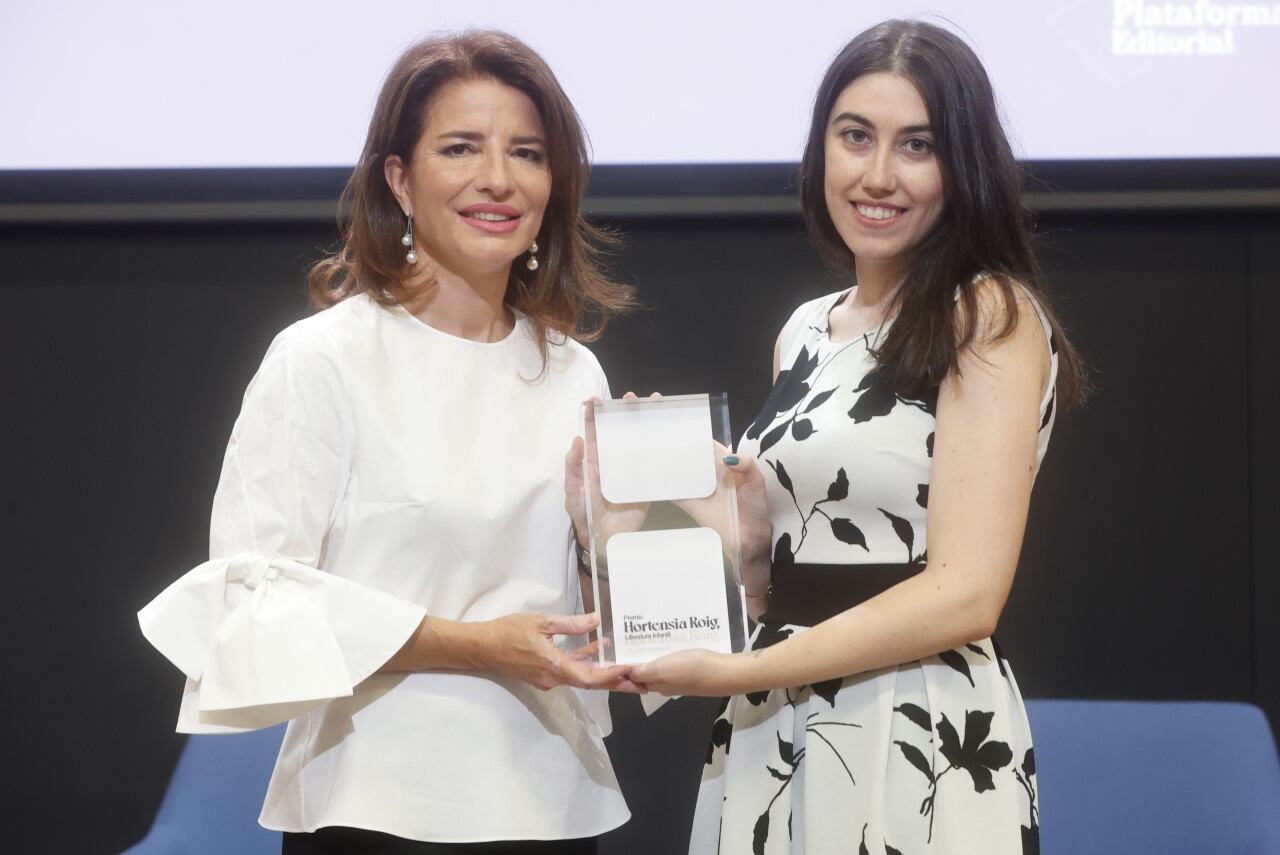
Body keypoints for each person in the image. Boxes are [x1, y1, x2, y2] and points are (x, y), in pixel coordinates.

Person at [137, 30, 640, 854]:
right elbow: (255, 599)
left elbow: (592, 612)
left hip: (551, 801)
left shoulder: (574, 370)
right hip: (373, 805)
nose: (498, 179)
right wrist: (474, 646)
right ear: (399, 180)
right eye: (460, 148)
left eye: (527, 153)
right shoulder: (322, 359)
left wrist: (635, 530)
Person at [627, 19, 1086, 855]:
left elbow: (966, 593)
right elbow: (775, 581)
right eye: (855, 137)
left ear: (965, 165)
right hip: (776, 728)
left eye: (918, 145)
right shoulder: (806, 329)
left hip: (913, 730)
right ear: (821, 151)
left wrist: (741, 672)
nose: (879, 175)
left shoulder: (988, 315)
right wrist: (656, 497)